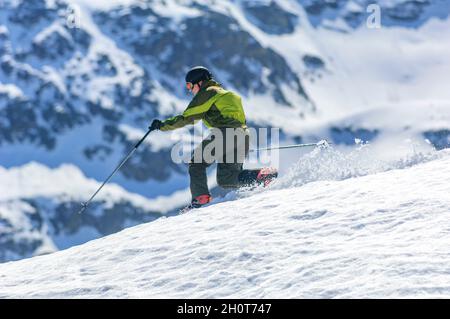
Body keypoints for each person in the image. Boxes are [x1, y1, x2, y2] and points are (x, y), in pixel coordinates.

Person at [150, 66, 277, 210]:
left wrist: (162, 125)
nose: (189, 90)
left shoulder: (207, 92)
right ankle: (261, 175)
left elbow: (188, 118)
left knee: (197, 162)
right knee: (227, 178)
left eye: (189, 85)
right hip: (243, 134)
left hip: (226, 133)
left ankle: (201, 199)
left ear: (199, 82)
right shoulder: (226, 94)